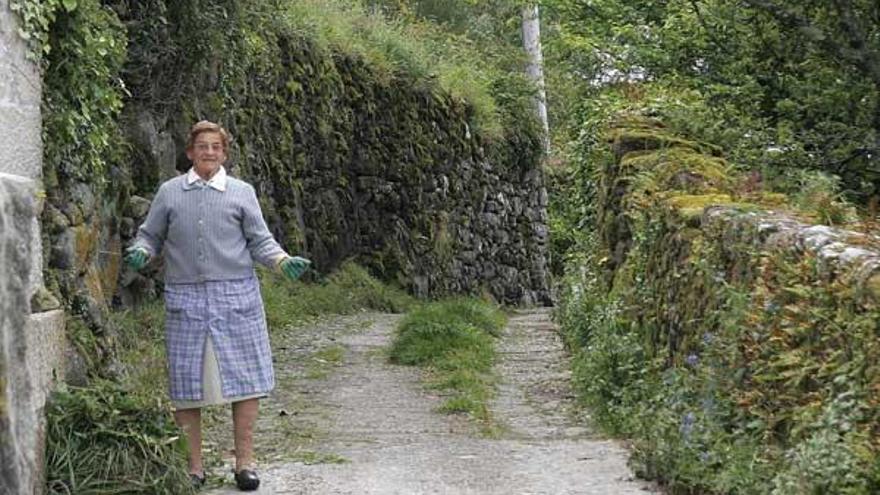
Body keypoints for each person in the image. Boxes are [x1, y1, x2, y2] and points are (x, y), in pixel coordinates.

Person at [124, 120, 310, 491]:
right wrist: (141, 252)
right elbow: (150, 235)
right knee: (186, 383)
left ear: (224, 154)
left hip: (237, 296)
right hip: (186, 298)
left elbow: (260, 240)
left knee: (244, 381)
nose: (209, 152)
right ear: (190, 152)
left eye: (216, 147)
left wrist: (281, 260)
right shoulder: (170, 192)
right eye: (202, 146)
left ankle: (245, 463)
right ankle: (194, 467)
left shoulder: (241, 193)